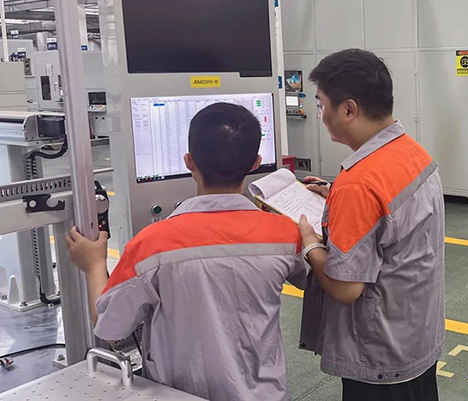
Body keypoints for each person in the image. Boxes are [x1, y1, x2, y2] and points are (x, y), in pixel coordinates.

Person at [66, 102, 308, 401]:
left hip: (179, 394)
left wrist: (93, 265)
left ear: (189, 161)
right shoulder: (284, 234)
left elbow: (111, 329)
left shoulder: (152, 244)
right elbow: (316, 279)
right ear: (256, 163)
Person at [297, 49, 446, 401]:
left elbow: (345, 288)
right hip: (416, 336)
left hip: (379, 356)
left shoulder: (359, 183)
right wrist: (335, 196)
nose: (320, 115)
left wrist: (309, 242)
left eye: (321, 105)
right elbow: (391, 216)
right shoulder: (411, 151)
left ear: (349, 110)